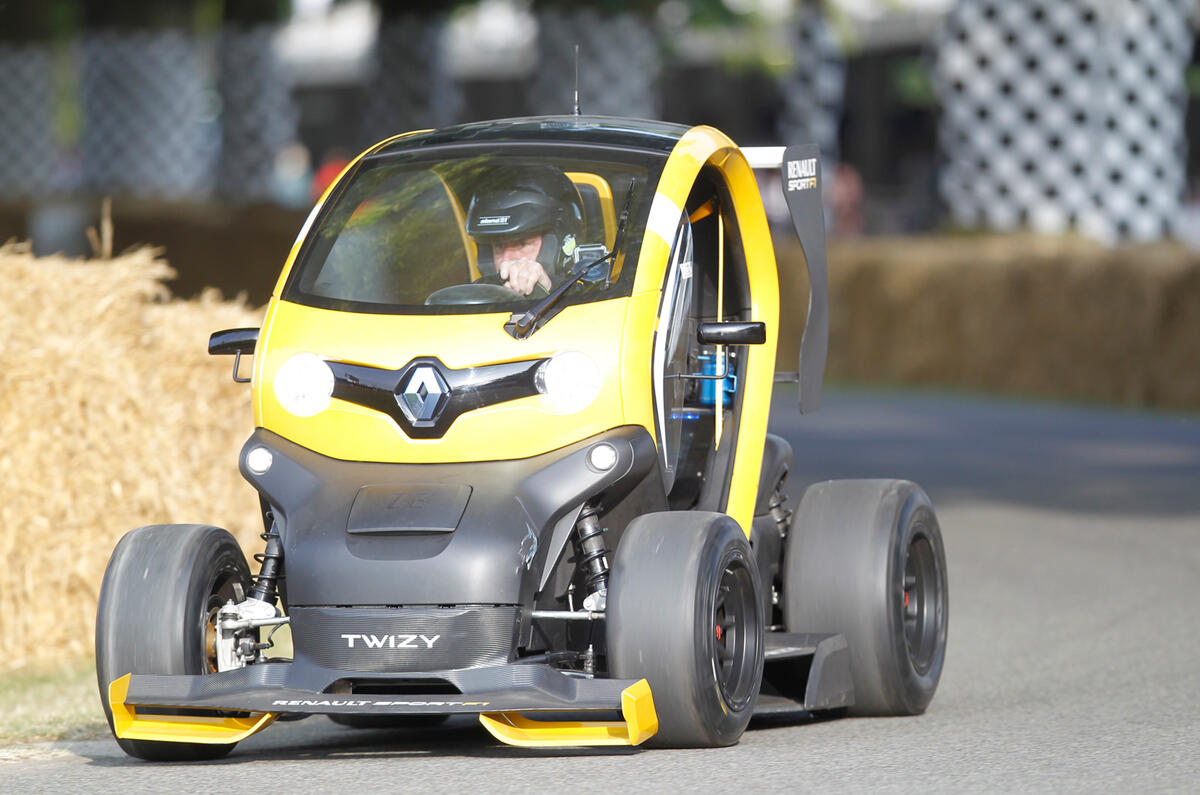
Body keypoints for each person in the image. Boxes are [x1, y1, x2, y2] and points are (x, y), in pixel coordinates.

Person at [465, 165, 583, 296]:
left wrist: (550, 289)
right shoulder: (472, 299)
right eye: (498, 246)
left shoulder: (592, 297)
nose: (506, 260)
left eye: (522, 244)